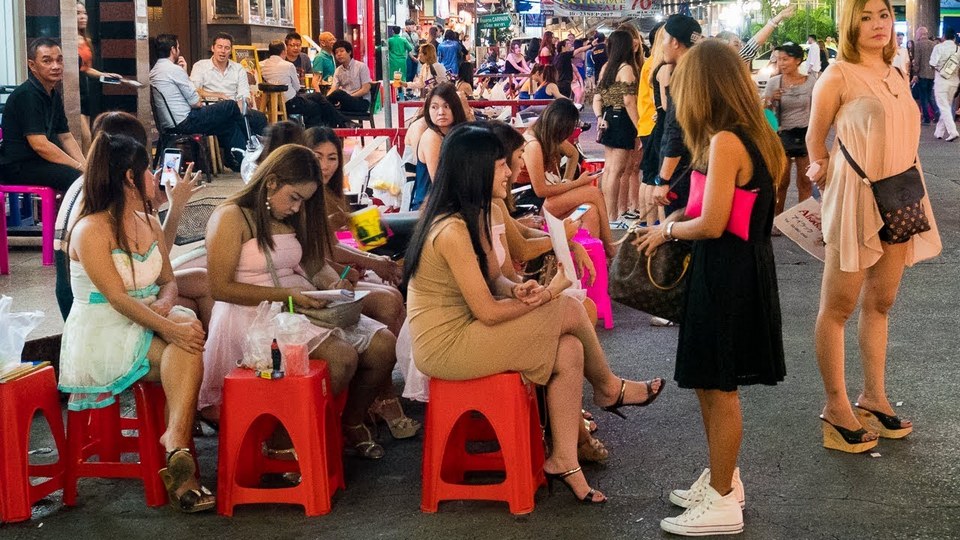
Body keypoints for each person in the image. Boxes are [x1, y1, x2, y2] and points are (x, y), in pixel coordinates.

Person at [405, 122, 664, 505]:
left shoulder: (472, 215)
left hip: (467, 329)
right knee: (569, 308)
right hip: (446, 346)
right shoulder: (451, 230)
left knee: (570, 351)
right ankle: (609, 388)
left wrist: (519, 289)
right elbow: (490, 313)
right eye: (500, 166)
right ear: (475, 171)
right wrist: (547, 294)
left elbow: (495, 282)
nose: (511, 172)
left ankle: (565, 460)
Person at [633, 39, 786, 536]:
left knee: (718, 386)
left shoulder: (725, 141)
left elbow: (714, 222)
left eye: (682, 80)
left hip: (725, 273)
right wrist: (681, 216)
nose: (675, 88)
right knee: (711, 382)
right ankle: (725, 480)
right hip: (740, 269)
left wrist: (666, 229)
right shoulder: (755, 134)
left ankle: (723, 500)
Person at [201, 144, 398, 458]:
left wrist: (336, 285)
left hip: (297, 308)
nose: (296, 208)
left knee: (384, 345)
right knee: (342, 357)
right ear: (272, 182)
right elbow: (220, 288)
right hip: (252, 318)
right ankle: (283, 438)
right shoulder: (231, 217)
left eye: (303, 201)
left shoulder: (292, 216)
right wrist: (286, 295)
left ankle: (350, 421)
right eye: (294, 198)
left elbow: (312, 264)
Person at [806, 0, 942, 455]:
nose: (878, 24)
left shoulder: (897, 70)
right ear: (849, 24)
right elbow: (814, 135)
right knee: (839, 305)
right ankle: (836, 405)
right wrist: (818, 167)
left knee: (881, 302)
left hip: (901, 195)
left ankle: (873, 396)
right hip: (856, 198)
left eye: (883, 15)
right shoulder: (838, 75)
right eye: (865, 17)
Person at [60, 131, 214, 513]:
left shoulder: (147, 221)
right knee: (187, 340)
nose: (156, 177)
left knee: (186, 335)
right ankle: (177, 448)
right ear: (130, 177)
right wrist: (168, 324)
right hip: (104, 330)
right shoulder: (89, 229)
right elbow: (115, 298)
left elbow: (168, 281)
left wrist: (166, 306)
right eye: (150, 169)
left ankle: (176, 443)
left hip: (146, 320)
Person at [306, 127, 420, 439]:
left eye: (332, 158)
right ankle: (384, 398)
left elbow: (343, 237)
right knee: (388, 300)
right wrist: (366, 263)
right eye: (318, 157)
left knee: (393, 293)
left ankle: (383, 394)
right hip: (316, 279)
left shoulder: (329, 192)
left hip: (337, 268)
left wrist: (366, 256)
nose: (326, 165)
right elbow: (317, 252)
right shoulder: (305, 194)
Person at [54, 112, 210, 326]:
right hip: (97, 302)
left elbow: (154, 256)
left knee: (203, 282)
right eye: (144, 164)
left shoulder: (103, 188)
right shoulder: (95, 205)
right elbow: (133, 277)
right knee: (191, 311)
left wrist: (154, 206)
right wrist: (174, 209)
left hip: (127, 284)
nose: (149, 170)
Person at [522, 99, 617, 256]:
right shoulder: (533, 144)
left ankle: (593, 261)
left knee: (590, 210)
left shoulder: (546, 135)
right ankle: (610, 249)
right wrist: (576, 183)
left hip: (548, 199)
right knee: (593, 193)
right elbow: (540, 191)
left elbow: (573, 154)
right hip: (533, 203)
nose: (564, 138)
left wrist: (566, 180)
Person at [149, 34, 249, 170]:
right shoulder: (174, 70)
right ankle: (250, 146)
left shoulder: (155, 70)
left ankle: (242, 163)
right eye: (178, 47)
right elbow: (195, 101)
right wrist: (183, 72)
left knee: (228, 124)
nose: (179, 50)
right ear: (173, 49)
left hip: (171, 122)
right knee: (230, 105)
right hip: (186, 121)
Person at [0, 38, 84, 191]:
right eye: (47, 61)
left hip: (40, 162)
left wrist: (85, 165)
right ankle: (71, 215)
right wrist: (78, 167)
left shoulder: (53, 94)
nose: (55, 66)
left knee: (86, 177)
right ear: (32, 65)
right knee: (76, 179)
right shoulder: (27, 95)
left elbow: (65, 136)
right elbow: (40, 145)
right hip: (19, 167)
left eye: (59, 60)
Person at [653, 15, 701, 218]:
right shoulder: (701, 72)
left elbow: (677, 131)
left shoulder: (683, 78)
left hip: (682, 173)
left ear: (674, 42)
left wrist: (663, 180)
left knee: (679, 236)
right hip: (701, 166)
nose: (662, 45)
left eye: (664, 39)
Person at [763, 43, 815, 218]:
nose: (781, 63)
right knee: (781, 182)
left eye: (786, 59)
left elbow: (817, 109)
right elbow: (765, 114)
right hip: (782, 135)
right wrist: (771, 99)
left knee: (805, 181)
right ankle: (777, 218)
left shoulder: (811, 82)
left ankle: (803, 219)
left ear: (798, 60)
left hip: (805, 135)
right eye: (779, 59)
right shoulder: (773, 83)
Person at [593, 30, 640, 223]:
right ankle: (612, 216)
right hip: (622, 121)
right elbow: (629, 101)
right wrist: (639, 127)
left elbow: (598, 97)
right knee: (616, 171)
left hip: (609, 119)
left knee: (610, 169)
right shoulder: (626, 69)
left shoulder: (606, 67)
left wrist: (599, 117)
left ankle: (609, 214)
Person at [259, 40, 355, 128]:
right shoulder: (288, 65)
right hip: (291, 102)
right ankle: (337, 125)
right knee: (317, 105)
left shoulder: (262, 65)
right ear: (284, 51)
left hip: (274, 102)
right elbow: (296, 87)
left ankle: (343, 122)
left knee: (317, 96)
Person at [189, 32, 268, 136]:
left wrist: (243, 103)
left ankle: (257, 146)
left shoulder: (238, 68)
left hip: (235, 109)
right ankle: (251, 144)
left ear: (230, 50)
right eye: (219, 47)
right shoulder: (200, 66)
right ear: (213, 48)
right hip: (211, 110)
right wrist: (219, 95)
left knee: (260, 118)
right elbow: (195, 91)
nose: (223, 51)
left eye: (227, 48)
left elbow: (244, 94)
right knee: (234, 121)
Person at [410, 83, 469, 210]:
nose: (441, 112)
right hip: (429, 209)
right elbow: (440, 183)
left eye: (446, 106)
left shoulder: (455, 134)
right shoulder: (431, 137)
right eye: (434, 107)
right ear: (428, 110)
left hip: (450, 202)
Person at [76, 2, 121, 151]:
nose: (83, 17)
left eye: (84, 13)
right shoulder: (68, 42)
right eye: (78, 13)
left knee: (88, 137)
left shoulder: (86, 40)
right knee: (85, 137)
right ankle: (86, 171)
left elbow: (86, 69)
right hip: (73, 91)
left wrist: (104, 75)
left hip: (85, 91)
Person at [930, 28, 959, 141]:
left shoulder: (938, 47)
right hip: (954, 81)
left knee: (943, 107)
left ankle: (953, 131)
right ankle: (939, 132)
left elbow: (932, 63)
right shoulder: (958, 49)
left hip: (941, 81)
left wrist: (940, 69)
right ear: (954, 38)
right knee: (946, 106)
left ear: (943, 36)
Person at [328, 40, 373, 113]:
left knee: (338, 93)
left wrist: (348, 97)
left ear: (349, 52)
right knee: (326, 105)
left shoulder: (361, 66)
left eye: (341, 51)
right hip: (345, 102)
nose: (339, 54)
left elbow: (365, 89)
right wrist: (325, 99)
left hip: (361, 102)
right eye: (336, 53)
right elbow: (333, 88)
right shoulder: (338, 70)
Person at [912, 26, 937, 123]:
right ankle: (937, 112)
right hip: (931, 74)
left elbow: (917, 60)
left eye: (917, 33)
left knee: (923, 97)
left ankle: (926, 118)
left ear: (920, 34)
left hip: (922, 74)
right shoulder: (933, 44)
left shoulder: (918, 44)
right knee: (930, 95)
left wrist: (915, 73)